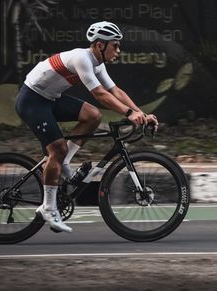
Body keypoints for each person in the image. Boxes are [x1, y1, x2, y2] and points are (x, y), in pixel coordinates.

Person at [15, 21, 158, 233]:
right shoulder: (82, 58)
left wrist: (141, 114)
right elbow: (100, 94)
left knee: (92, 115)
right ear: (100, 45)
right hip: (32, 101)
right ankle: (48, 207)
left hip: (50, 98)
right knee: (58, 149)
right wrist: (129, 114)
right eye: (115, 45)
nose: (118, 50)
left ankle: (63, 164)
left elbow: (115, 91)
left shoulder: (97, 63)